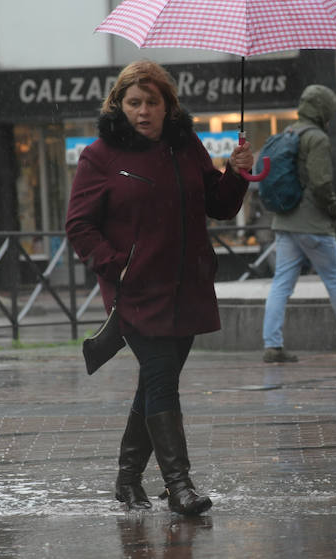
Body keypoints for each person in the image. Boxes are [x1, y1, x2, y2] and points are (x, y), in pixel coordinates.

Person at [66, 59, 253, 515]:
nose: (143, 111)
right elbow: (79, 225)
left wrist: (238, 172)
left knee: (155, 382)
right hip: (136, 290)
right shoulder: (100, 156)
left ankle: (128, 480)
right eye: (134, 102)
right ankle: (179, 485)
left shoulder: (185, 145)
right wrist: (115, 266)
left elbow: (220, 205)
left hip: (186, 285)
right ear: (119, 103)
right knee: (161, 381)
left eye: (153, 102)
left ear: (168, 107)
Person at [261, 84, 336, 363]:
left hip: (284, 221)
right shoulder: (316, 138)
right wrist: (332, 208)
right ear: (322, 110)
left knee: (281, 283)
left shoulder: (288, 132)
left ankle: (272, 345)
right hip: (312, 224)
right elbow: (321, 182)